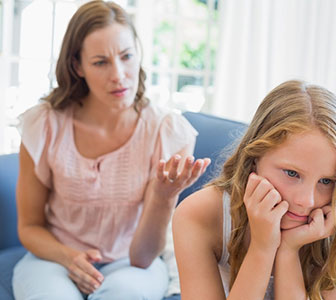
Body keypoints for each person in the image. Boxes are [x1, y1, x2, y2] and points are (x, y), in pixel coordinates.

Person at [12, 1, 210, 300]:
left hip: (130, 263)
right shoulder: (44, 124)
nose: (118, 75)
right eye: (100, 62)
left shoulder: (167, 131)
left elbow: (143, 258)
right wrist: (69, 257)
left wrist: (163, 196)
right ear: (77, 66)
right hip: (54, 258)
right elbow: (29, 227)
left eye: (127, 56)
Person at [173, 80, 336, 300]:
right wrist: (262, 247)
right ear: (253, 158)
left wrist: (288, 251)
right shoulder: (199, 214)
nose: (306, 201)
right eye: (292, 173)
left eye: (326, 181)